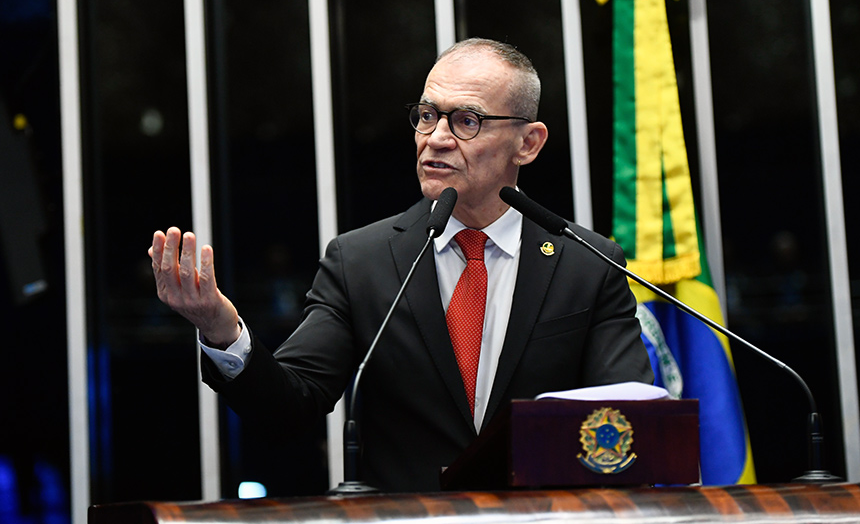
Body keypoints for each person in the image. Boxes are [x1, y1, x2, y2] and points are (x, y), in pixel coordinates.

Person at [149, 38, 653, 493]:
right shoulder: (362, 261)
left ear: (529, 143)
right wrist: (219, 328)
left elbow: (627, 421)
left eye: (467, 121)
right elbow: (290, 409)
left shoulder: (587, 263)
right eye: (427, 114)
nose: (434, 137)